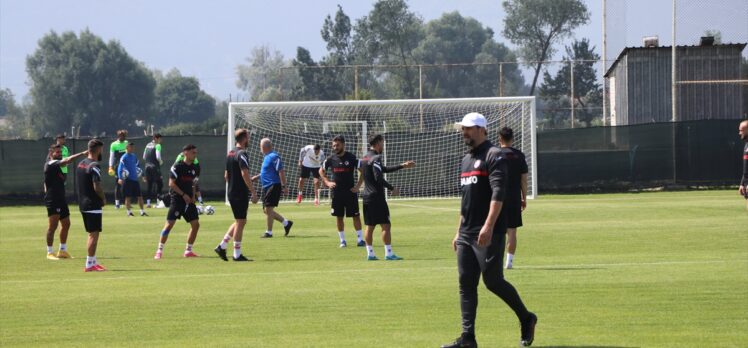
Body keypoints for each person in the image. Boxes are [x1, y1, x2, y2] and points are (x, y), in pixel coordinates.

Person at [441, 113, 536, 348]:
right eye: (463, 129)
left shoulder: (495, 156)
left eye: (469, 128)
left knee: (493, 281)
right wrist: (458, 231)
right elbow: (466, 201)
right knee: (465, 283)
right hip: (466, 233)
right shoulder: (465, 160)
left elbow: (498, 194)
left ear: (482, 130)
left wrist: (489, 225)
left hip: (488, 232)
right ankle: (468, 338)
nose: (464, 132)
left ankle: (527, 317)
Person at [360, 134, 415, 261]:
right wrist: (392, 188)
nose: (383, 145)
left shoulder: (365, 158)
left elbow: (382, 170)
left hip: (366, 197)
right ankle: (389, 253)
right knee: (386, 225)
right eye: (383, 142)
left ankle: (370, 254)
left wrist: (402, 165)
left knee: (370, 226)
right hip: (376, 198)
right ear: (378, 142)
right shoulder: (377, 157)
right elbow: (378, 177)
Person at [214, 129, 259, 262]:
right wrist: (253, 192)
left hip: (232, 191)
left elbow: (226, 175)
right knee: (241, 222)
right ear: (244, 138)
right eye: (248, 137)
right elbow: (244, 174)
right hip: (239, 193)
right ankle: (236, 254)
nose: (249, 139)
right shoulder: (242, 153)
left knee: (239, 221)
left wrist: (237, 183)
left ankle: (222, 246)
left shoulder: (231, 153)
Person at [154, 144, 202, 259]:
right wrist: (183, 194)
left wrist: (194, 195)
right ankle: (159, 250)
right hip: (177, 200)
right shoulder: (177, 167)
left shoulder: (196, 167)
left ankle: (188, 251)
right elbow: (171, 184)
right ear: (186, 153)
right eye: (193, 152)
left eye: (196, 152)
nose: (195, 154)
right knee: (169, 225)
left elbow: (194, 183)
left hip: (189, 201)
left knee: (196, 225)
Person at [319, 136, 365, 248]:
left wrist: (358, 185)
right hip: (337, 193)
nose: (335, 147)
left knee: (356, 216)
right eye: (334, 145)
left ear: (343, 145)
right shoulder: (330, 159)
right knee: (339, 217)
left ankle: (360, 240)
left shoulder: (352, 157)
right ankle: (342, 241)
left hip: (350, 192)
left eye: (337, 145)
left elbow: (363, 171)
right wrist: (327, 182)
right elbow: (321, 170)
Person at [43, 144, 88, 260]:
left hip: (61, 199)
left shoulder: (56, 167)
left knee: (66, 223)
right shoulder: (50, 164)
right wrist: (82, 154)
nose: (60, 154)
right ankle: (49, 252)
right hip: (53, 199)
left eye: (61, 152)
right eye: (57, 152)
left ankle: (62, 251)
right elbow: (68, 160)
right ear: (51, 154)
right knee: (52, 226)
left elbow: (47, 181)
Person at [498, 127, 529, 270]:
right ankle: (508, 262)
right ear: (513, 138)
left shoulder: (494, 154)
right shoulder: (519, 155)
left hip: (496, 198)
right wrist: (524, 197)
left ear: (500, 139)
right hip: (514, 198)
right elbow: (524, 179)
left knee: (494, 230)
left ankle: (493, 260)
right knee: (512, 231)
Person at [76, 139, 107, 272]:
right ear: (98, 149)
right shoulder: (94, 165)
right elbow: (97, 186)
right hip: (92, 204)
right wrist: (103, 198)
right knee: (93, 234)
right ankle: (89, 264)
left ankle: (93, 260)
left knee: (92, 233)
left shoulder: (81, 164)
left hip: (83, 203)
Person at [255, 138, 293, 238]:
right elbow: (267, 171)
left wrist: (284, 186)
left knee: (268, 209)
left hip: (273, 185)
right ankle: (286, 223)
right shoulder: (266, 157)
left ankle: (269, 232)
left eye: (260, 146)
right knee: (266, 210)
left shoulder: (274, 156)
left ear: (263, 147)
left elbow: (281, 171)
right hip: (266, 186)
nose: (260, 148)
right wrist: (257, 177)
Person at [116, 142, 147, 217]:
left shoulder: (134, 156)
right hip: (127, 180)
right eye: (131, 147)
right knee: (128, 197)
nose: (133, 149)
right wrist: (120, 178)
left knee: (140, 196)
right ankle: (129, 212)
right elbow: (120, 168)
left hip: (135, 180)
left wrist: (142, 175)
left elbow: (138, 167)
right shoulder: (124, 157)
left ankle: (142, 212)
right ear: (127, 148)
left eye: (133, 147)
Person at [108, 130, 128, 208]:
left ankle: (127, 202)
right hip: (118, 167)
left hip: (126, 167)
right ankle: (117, 203)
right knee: (118, 184)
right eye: (121, 136)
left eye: (124, 136)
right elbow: (111, 156)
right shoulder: (113, 145)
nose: (123, 137)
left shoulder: (126, 143)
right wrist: (110, 166)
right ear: (119, 136)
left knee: (127, 184)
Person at [143, 133, 164, 208]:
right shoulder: (158, 145)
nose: (161, 140)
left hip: (147, 167)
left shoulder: (147, 145)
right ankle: (158, 202)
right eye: (160, 139)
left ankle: (148, 203)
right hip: (155, 167)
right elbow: (158, 157)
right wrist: (161, 162)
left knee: (149, 185)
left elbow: (144, 157)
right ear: (156, 138)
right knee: (160, 184)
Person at [739, 120, 748, 210]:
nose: (739, 133)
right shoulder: (746, 145)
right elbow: (746, 168)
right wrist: (743, 183)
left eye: (741, 130)